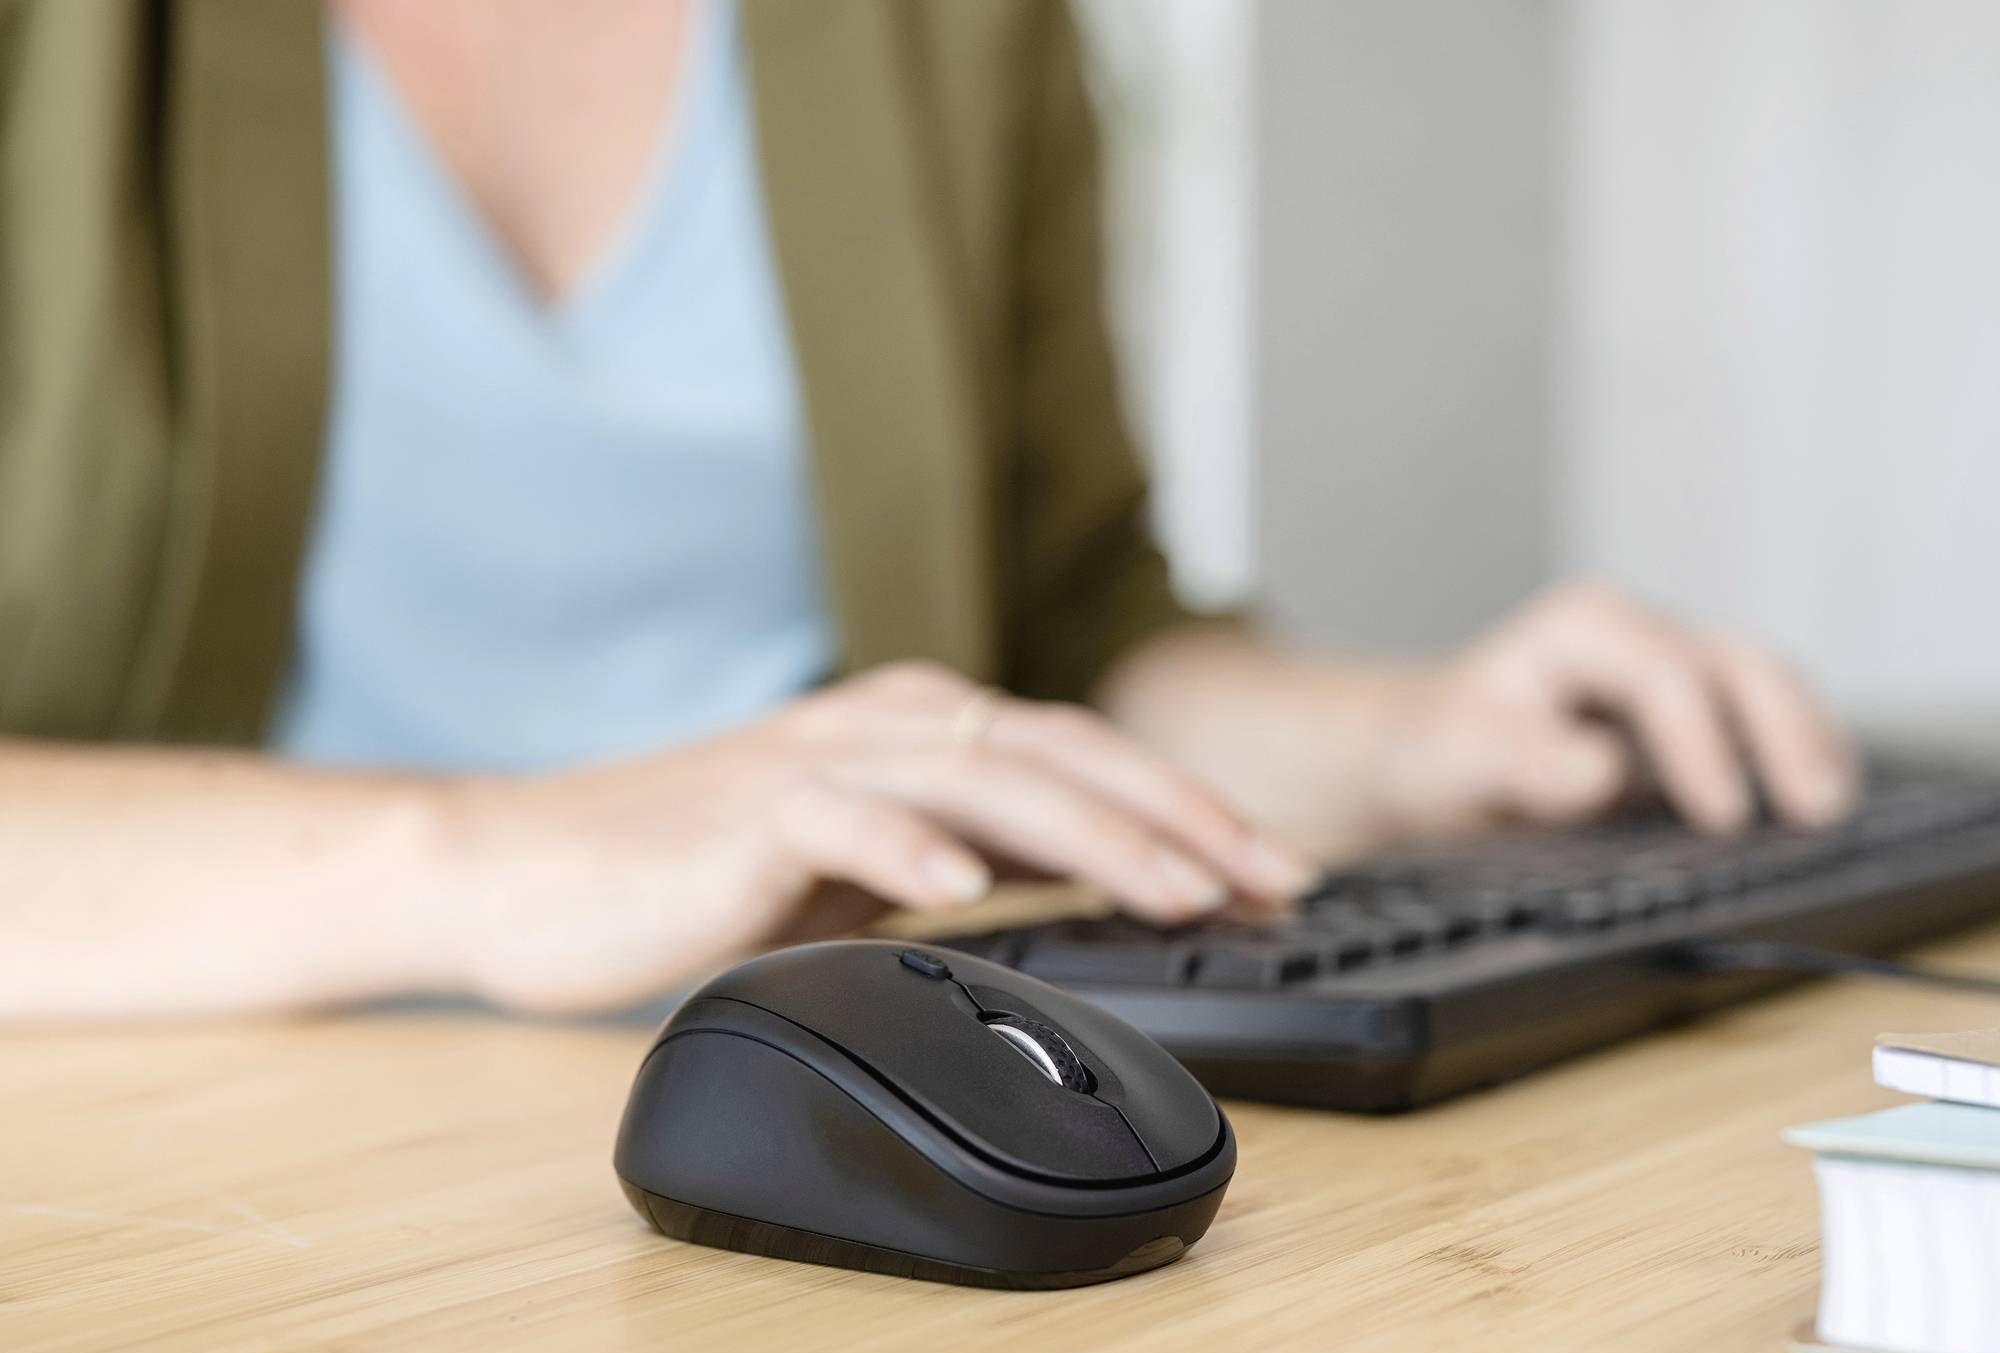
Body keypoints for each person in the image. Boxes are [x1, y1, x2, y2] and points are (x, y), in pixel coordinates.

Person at [0, 0, 1854, 1019]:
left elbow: (1064, 638)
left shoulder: (963, 31)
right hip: (189, 1161)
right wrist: (499, 854)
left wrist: (1404, 741)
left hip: (829, 1099)